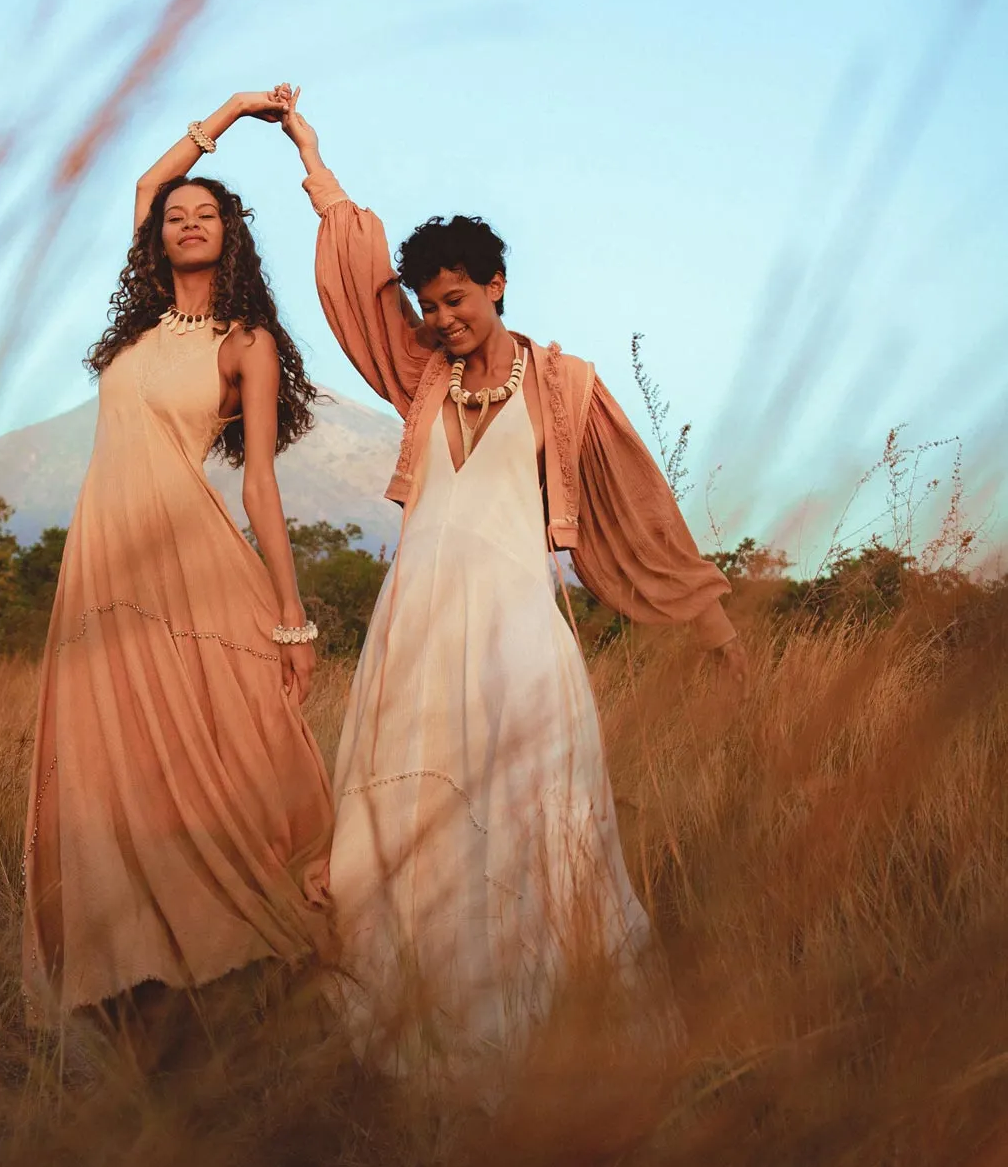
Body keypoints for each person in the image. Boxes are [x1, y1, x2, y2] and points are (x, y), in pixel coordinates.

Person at [275, 86, 742, 1074]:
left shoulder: (564, 387)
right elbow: (358, 275)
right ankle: (421, 1027)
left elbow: (639, 505)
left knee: (524, 814)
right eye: (431, 304)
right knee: (409, 811)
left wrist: (709, 623)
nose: (442, 319)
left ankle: (548, 1042)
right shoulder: (418, 375)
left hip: (518, 634)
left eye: (458, 299)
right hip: (418, 630)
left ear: (497, 285)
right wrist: (311, 157)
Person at [22, 93, 333, 1017]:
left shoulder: (248, 344)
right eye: (175, 218)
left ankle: (247, 955)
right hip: (102, 558)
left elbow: (260, 486)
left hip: (187, 556)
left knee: (212, 746)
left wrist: (292, 615)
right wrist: (232, 112)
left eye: (205, 214)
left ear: (230, 234)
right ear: (157, 239)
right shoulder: (141, 327)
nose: (185, 221)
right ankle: (137, 969)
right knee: (114, 755)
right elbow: (147, 179)